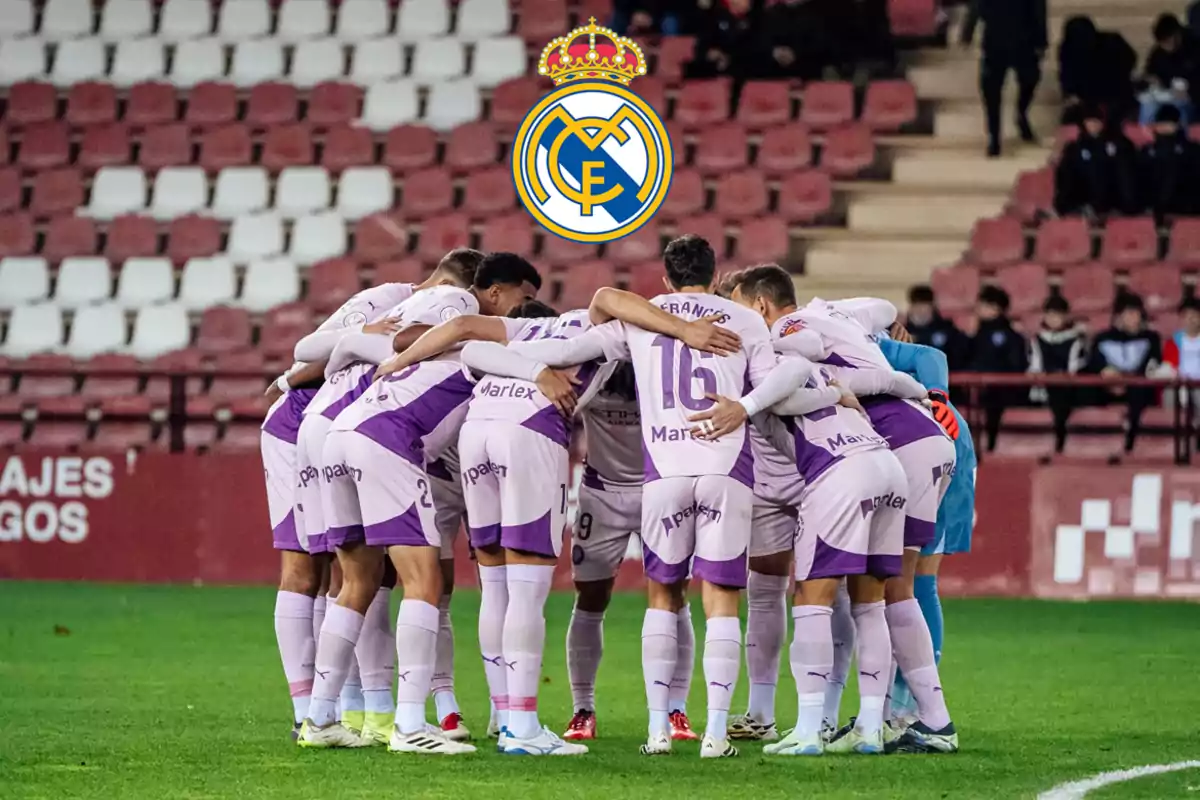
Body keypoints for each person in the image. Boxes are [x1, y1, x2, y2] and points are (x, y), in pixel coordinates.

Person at [503, 236, 813, 758]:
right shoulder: (743, 319)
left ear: (666, 279)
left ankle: (656, 733)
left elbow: (560, 350)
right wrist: (745, 405)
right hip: (725, 468)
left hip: (663, 476)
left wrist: (523, 362)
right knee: (720, 602)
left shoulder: (640, 318)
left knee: (662, 597)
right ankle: (715, 734)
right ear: (717, 278)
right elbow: (793, 371)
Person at [299, 254, 543, 753]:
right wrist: (543, 371)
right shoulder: (470, 338)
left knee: (357, 582)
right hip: (387, 440)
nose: (524, 310)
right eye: (524, 298)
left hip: (341, 433)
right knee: (425, 582)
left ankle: (320, 718)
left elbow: (347, 346)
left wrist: (293, 378)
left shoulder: (425, 331)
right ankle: (410, 725)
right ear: (492, 295)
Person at [264, 254, 479, 741]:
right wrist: (374, 340)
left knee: (352, 575)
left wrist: (347, 349)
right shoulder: (411, 301)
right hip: (327, 423)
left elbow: (320, 354)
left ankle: (334, 713)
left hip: (326, 422)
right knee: (348, 573)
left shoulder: (405, 310)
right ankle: (387, 715)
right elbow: (307, 347)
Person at [720, 266, 919, 756]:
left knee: (812, 598)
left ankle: (810, 728)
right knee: (869, 602)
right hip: (885, 465)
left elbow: (791, 376)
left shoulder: (775, 353)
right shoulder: (831, 353)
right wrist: (913, 389)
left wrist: (744, 406)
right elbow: (873, 364)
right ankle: (870, 727)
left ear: (759, 307)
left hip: (837, 473)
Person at [765, 294, 959, 754]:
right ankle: (891, 721)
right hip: (931, 436)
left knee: (884, 591)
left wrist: (900, 382)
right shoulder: (844, 314)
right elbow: (887, 309)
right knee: (891, 590)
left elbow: (845, 374)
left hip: (894, 438)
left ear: (761, 303)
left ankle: (917, 718)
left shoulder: (787, 331)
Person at [560, 360, 701, 744]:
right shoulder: (590, 371)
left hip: (658, 489)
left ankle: (677, 709)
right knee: (590, 597)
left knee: (674, 593)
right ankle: (582, 709)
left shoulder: (662, 374)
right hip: (600, 493)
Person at [872, 334, 975, 733]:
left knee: (917, 579)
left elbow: (932, 354)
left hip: (944, 447)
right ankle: (895, 703)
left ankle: (911, 705)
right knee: (895, 580)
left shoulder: (844, 332)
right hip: (905, 452)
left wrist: (939, 398)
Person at [1086, 292, 1165, 454]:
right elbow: (1093, 364)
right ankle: (1090, 443)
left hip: (1137, 388)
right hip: (1108, 386)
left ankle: (1131, 441)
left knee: (1140, 390)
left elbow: (1153, 365)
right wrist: (1106, 372)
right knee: (1085, 389)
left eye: (1136, 313)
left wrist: (1128, 380)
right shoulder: (1102, 338)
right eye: (1129, 313)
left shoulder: (1151, 338)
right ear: (1118, 316)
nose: (1134, 318)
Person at [969, 0, 1048, 157]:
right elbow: (977, 5)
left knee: (1030, 80)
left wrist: (1041, 41)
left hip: (1025, 39)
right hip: (994, 40)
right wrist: (969, 28)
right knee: (991, 91)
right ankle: (994, 137)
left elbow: (1039, 7)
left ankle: (1021, 112)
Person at [966, 286, 1028, 451]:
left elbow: (1016, 367)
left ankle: (990, 449)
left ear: (995, 309)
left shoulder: (1012, 338)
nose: (978, 309)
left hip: (1000, 392)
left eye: (983, 305)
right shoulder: (976, 335)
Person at [1054, 104, 1139, 217]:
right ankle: (1070, 207)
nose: (1092, 125)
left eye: (1096, 122)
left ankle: (1121, 207)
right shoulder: (1076, 146)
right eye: (1089, 122)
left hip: (1112, 192)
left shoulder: (1119, 142)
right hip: (1085, 190)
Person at [1028, 295, 1088, 453]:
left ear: (1066, 317)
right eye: (1050, 315)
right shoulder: (1036, 340)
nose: (1054, 319)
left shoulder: (1076, 341)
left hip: (1068, 390)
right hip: (1042, 388)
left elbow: (1075, 370)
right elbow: (1035, 367)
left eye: (1058, 315)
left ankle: (1061, 442)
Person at [1057, 16, 1137, 125]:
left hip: (1114, 96)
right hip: (1090, 99)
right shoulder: (1068, 49)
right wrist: (1071, 94)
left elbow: (1130, 60)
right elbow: (1066, 76)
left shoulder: (1112, 43)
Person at [1137, 104, 1200, 220]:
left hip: (1185, 207)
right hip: (1151, 207)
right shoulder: (1147, 150)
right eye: (1161, 123)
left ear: (1177, 125)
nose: (1164, 127)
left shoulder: (1191, 149)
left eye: (1168, 123)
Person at [1139, 14, 1200, 126]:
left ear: (1176, 35)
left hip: (1191, 98)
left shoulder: (1195, 47)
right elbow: (1150, 71)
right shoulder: (1159, 52)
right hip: (1166, 95)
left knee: (1181, 109)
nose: (1164, 46)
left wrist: (1191, 92)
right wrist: (1151, 79)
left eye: (1167, 42)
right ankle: (1145, 137)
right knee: (1148, 105)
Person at [686, 0, 763, 81]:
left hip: (746, 71)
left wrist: (729, 58)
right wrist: (709, 53)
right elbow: (701, 46)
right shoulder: (715, 17)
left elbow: (757, 48)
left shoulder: (758, 19)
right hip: (716, 70)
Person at [904, 285, 970, 372]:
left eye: (924, 305)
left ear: (932, 306)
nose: (920, 309)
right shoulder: (904, 331)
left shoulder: (947, 329)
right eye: (916, 305)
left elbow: (960, 353)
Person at [1163, 297, 1200, 379]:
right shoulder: (1173, 341)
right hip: (1180, 386)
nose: (1190, 319)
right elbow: (1168, 367)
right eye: (1186, 315)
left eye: (1194, 315)